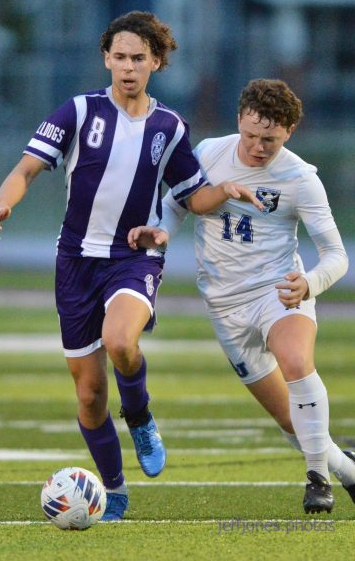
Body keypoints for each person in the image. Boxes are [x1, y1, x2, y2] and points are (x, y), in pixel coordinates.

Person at [0, 11, 263, 521]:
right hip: (75, 263)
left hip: (134, 257)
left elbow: (192, 197)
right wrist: (4, 204)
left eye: (139, 58)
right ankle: (112, 490)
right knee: (89, 396)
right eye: (120, 57)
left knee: (121, 341)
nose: (128, 67)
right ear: (106, 59)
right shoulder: (77, 112)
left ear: (156, 62)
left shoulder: (169, 127)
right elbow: (25, 169)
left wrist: (221, 191)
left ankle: (139, 415)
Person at [128, 78, 355, 515]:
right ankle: (348, 471)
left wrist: (309, 283)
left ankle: (317, 479)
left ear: (288, 132)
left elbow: (336, 255)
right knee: (291, 420)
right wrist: (161, 233)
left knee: (295, 362)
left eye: (269, 139)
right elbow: (177, 203)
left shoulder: (301, 179)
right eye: (250, 135)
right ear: (239, 121)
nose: (256, 147)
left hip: (278, 292)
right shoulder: (211, 152)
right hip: (224, 306)